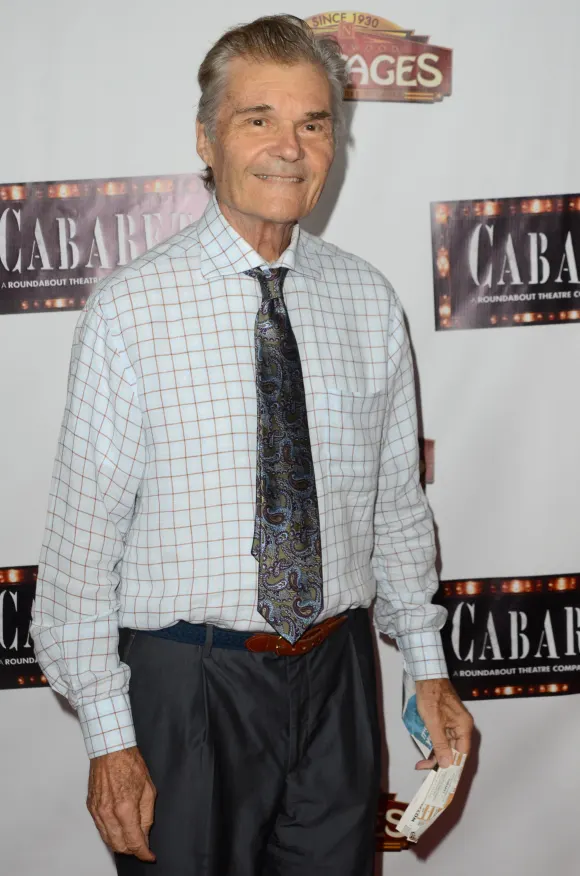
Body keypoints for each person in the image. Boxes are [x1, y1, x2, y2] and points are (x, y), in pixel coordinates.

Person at [30, 14, 473, 876]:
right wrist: (111, 738)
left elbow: (394, 507)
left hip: (338, 676)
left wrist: (427, 664)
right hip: (186, 687)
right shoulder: (131, 310)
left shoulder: (366, 300)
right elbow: (81, 549)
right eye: (258, 118)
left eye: (314, 123)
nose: (290, 147)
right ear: (206, 137)